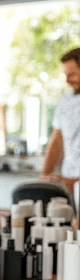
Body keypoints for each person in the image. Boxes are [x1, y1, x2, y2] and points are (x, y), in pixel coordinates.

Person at [42, 47, 80, 194]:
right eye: (66, 75)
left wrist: (73, 182)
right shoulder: (65, 101)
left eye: (72, 74)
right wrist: (43, 179)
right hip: (68, 186)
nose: (67, 80)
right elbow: (57, 142)